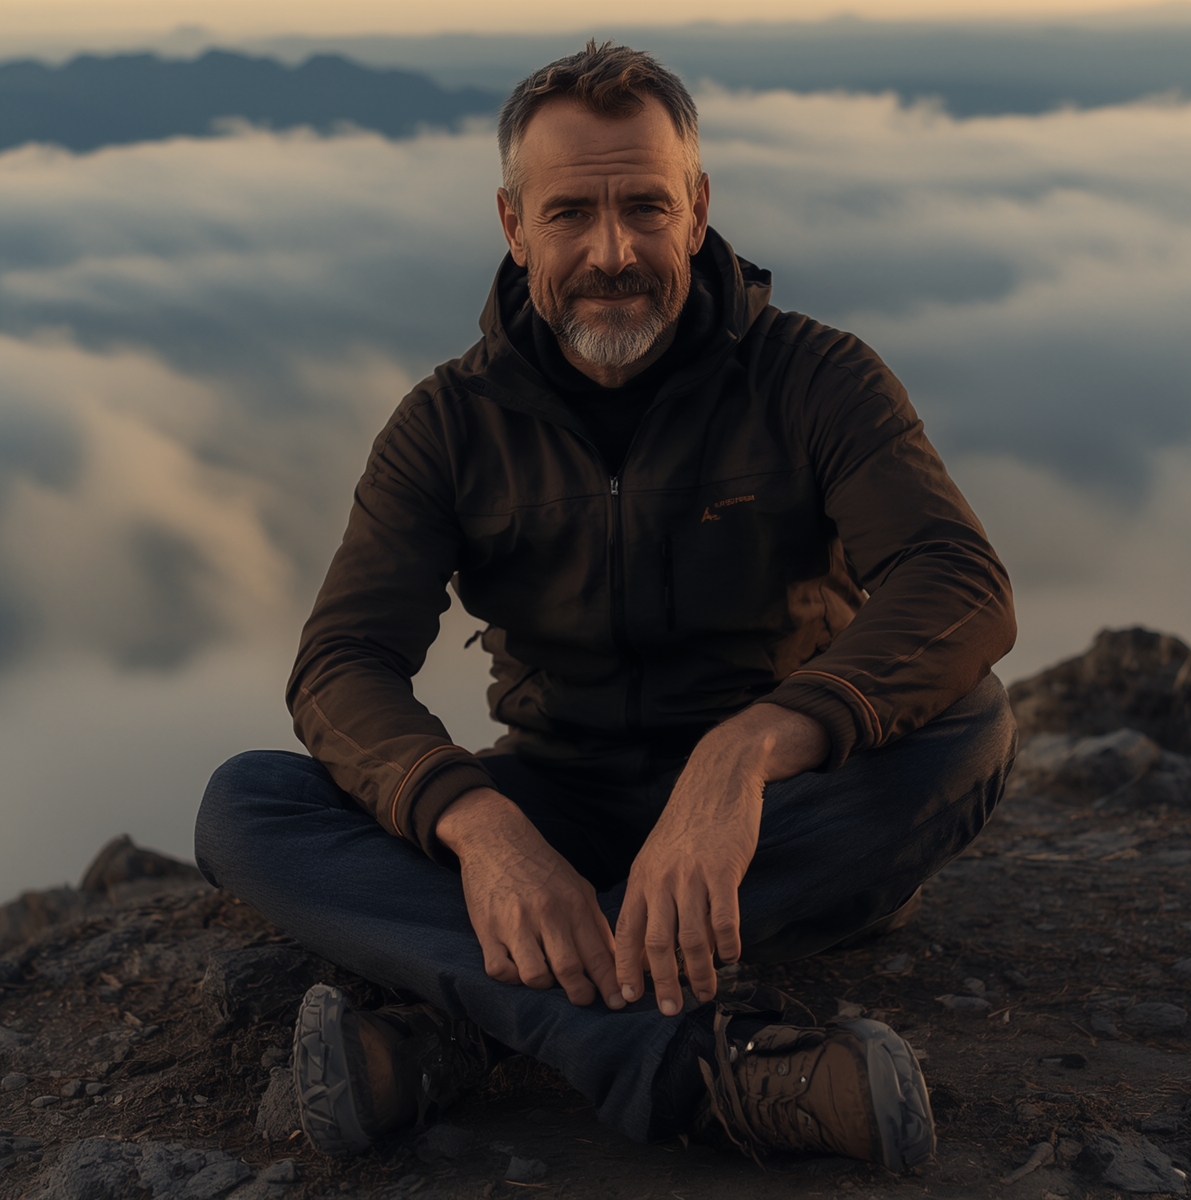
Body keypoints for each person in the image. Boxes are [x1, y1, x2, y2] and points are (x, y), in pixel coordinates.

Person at [196, 41, 1017, 1171]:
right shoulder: (446, 424)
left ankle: (471, 1024)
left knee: (972, 725)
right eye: (572, 213)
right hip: (557, 796)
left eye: (644, 206)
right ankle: (691, 1063)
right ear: (512, 224)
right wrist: (482, 830)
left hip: (777, 811)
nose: (614, 252)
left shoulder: (817, 378)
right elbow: (342, 662)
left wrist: (745, 756)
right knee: (249, 805)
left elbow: (956, 581)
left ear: (698, 209)